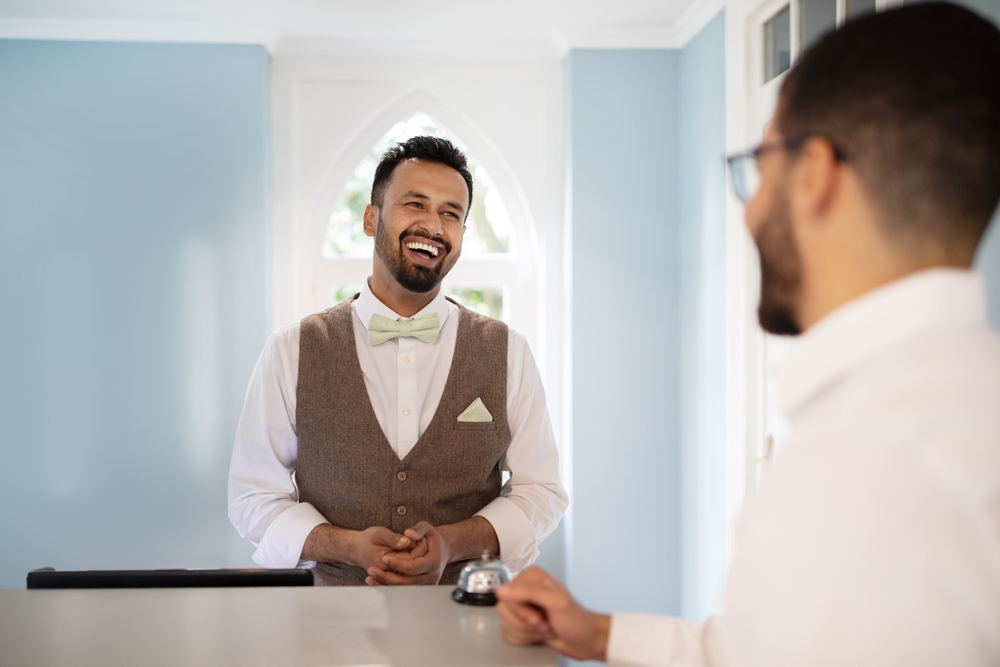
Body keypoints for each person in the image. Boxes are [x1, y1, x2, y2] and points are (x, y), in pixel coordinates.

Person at [495, 3, 1000, 665]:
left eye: (759, 163)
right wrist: (605, 634)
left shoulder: (869, 463)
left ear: (813, 174)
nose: (752, 203)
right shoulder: (954, 401)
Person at [228, 136, 567, 586]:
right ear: (371, 218)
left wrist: (451, 544)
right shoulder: (291, 350)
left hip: (467, 627)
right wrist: (347, 546)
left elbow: (540, 492)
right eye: (415, 204)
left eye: (452, 213)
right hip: (327, 628)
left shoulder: (508, 351)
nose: (433, 225)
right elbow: (253, 498)